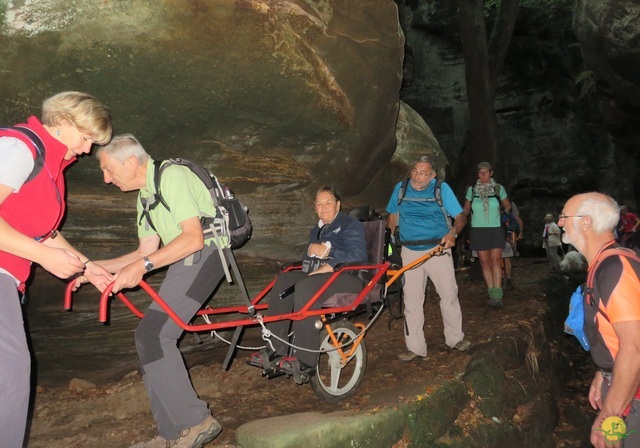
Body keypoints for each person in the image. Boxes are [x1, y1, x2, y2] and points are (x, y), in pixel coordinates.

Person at [92, 134, 224, 448]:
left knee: (154, 335)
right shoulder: (145, 197)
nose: (106, 179)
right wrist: (94, 266)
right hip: (185, 259)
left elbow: (193, 239)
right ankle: (170, 434)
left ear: (132, 162)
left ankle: (197, 421)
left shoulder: (172, 176)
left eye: (109, 170)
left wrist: (144, 266)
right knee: (147, 337)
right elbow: (143, 252)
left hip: (207, 254)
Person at [0, 91, 114, 448]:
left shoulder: (52, 168)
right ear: (62, 124)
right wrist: (41, 255)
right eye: (86, 139)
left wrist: (88, 266)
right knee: (11, 367)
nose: (87, 150)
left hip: (10, 279)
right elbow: (40, 245)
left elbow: (44, 232)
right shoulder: (20, 149)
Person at [251, 185, 367, 379]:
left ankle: (305, 360)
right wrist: (311, 249)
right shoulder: (317, 230)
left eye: (328, 203)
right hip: (320, 276)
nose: (324, 208)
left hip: (348, 278)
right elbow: (309, 258)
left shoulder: (350, 224)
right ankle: (275, 349)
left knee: (306, 286)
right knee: (285, 280)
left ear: (338, 205)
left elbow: (357, 254)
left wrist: (329, 259)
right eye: (319, 204)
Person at [559, 193, 640, 448]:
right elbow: (613, 333)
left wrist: (610, 414)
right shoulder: (602, 264)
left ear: (585, 222)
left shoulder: (616, 268)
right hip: (621, 384)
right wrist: (602, 372)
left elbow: (635, 348)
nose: (560, 223)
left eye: (564, 217)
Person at [386, 155, 470, 362]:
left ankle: (455, 338)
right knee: (412, 300)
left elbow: (460, 217)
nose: (417, 176)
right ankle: (414, 346)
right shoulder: (402, 188)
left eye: (423, 173)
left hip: (437, 249)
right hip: (410, 250)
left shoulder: (441, 189)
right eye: (414, 171)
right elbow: (393, 215)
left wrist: (453, 234)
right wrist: (388, 244)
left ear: (432, 175)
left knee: (448, 294)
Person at [463, 162, 511, 307]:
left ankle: (497, 295)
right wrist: (459, 216)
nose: (483, 175)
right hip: (478, 229)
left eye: (485, 172)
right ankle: (491, 291)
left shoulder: (498, 189)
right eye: (480, 173)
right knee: (484, 262)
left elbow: (507, 204)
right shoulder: (472, 190)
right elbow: (466, 208)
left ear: (491, 173)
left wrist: (504, 213)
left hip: (495, 229)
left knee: (495, 260)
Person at [501, 201, 523, 290]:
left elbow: (515, 223)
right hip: (496, 238)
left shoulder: (508, 215)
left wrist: (505, 228)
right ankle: (501, 279)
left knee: (507, 260)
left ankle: (508, 280)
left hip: (507, 239)